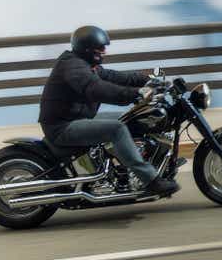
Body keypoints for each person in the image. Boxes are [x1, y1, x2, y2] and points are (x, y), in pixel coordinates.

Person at [38, 25, 179, 196]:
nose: (104, 51)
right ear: (88, 48)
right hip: (62, 126)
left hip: (78, 118)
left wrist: (151, 80)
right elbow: (96, 88)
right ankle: (151, 180)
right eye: (100, 48)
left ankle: (122, 167)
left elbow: (117, 77)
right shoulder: (73, 67)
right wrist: (136, 93)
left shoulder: (88, 65)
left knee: (128, 118)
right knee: (116, 128)